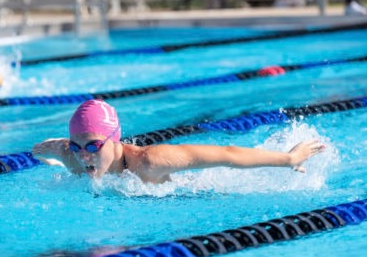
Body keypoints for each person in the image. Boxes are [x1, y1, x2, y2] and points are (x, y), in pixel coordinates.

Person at [32, 100, 326, 184]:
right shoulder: (74, 157)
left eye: (94, 145)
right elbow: (52, 150)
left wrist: (288, 159)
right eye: (77, 146)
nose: (85, 155)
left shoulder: (150, 161)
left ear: (114, 138)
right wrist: (60, 148)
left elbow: (226, 154)